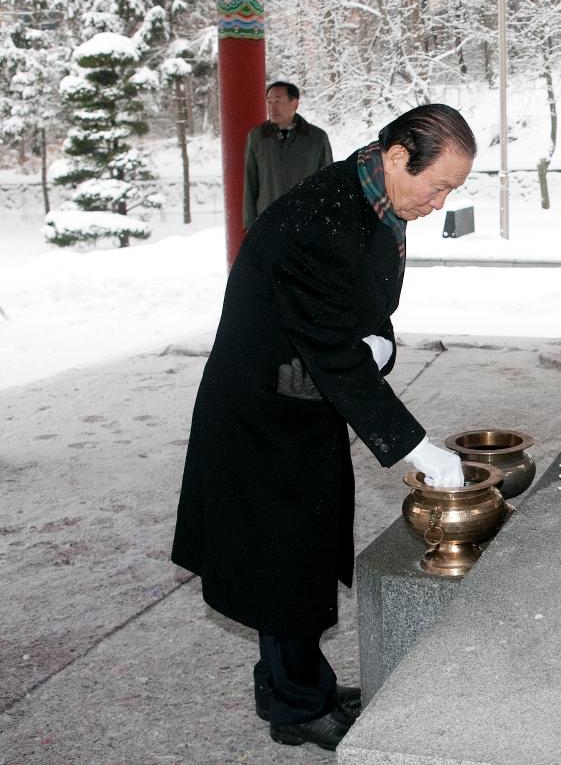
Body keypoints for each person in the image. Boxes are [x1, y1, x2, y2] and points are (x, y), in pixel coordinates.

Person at [172, 104, 476, 752]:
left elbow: (362, 311)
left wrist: (381, 345)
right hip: (261, 413)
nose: (441, 199)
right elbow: (335, 352)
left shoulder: (376, 203)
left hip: (303, 399)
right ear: (398, 157)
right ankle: (296, 706)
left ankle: (296, 685)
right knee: (283, 563)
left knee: (300, 555)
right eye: (440, 184)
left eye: (452, 188)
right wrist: (416, 448)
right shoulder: (320, 217)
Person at [243, 81, 333, 230]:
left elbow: (328, 184)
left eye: (278, 101)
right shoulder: (257, 137)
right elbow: (250, 183)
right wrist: (249, 225)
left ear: (294, 104)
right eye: (269, 102)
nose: (272, 107)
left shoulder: (316, 138)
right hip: (267, 223)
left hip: (306, 223)